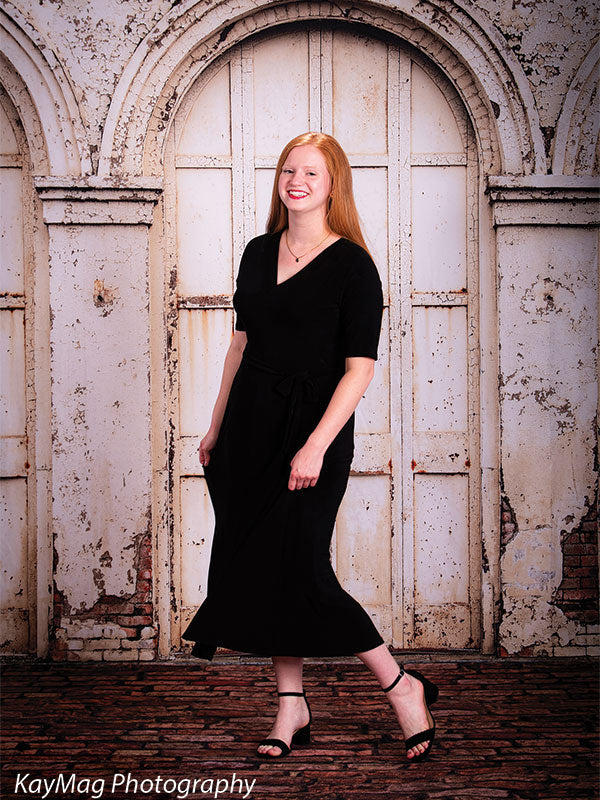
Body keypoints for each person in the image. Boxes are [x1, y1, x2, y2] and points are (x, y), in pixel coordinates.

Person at [181, 132, 438, 762]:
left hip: (312, 432)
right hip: (247, 430)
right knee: (268, 568)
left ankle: (402, 686)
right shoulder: (256, 251)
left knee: (303, 566)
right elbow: (240, 347)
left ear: (333, 185)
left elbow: (359, 369)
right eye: (289, 170)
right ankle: (291, 702)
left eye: (312, 173)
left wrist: (316, 445)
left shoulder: (353, 264)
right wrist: (216, 425)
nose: (297, 180)